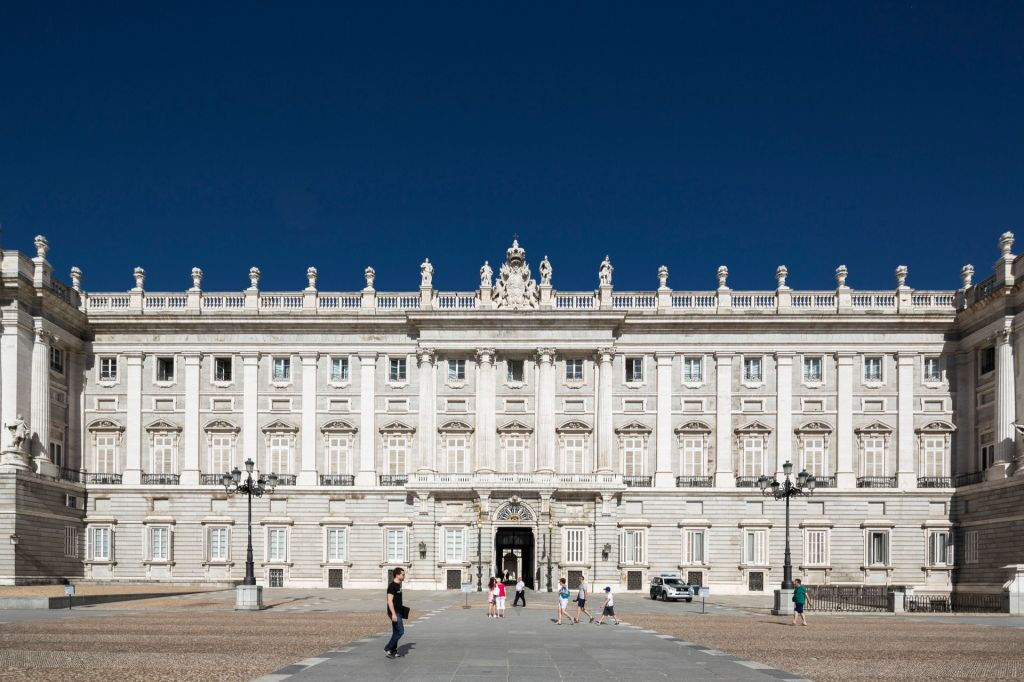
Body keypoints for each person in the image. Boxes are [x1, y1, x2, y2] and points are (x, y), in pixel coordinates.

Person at [385, 568, 408, 659]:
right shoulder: (392, 586)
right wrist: (393, 614)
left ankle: (393, 651)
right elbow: (389, 601)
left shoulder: (399, 585)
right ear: (397, 575)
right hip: (394, 612)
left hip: (399, 611)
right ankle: (388, 648)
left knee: (396, 631)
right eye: (402, 574)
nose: (404, 576)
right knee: (400, 631)